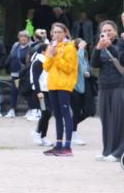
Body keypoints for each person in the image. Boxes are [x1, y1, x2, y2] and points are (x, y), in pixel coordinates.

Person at [90, 21, 124, 162]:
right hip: (104, 86)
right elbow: (94, 64)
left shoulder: (121, 43)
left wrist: (110, 46)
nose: (106, 33)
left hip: (120, 85)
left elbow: (123, 59)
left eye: (109, 30)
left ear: (115, 31)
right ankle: (107, 150)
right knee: (106, 120)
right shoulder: (100, 45)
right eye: (104, 30)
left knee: (119, 119)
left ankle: (119, 151)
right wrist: (97, 48)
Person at [41, 22, 78, 157]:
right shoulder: (52, 46)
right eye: (54, 32)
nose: (56, 35)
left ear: (65, 33)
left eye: (59, 32)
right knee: (57, 115)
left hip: (64, 85)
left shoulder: (70, 47)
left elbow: (68, 67)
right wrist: (50, 54)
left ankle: (67, 146)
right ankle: (58, 144)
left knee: (65, 114)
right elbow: (46, 67)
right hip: (52, 84)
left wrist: (56, 56)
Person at [29, 42, 52, 146]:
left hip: (49, 91)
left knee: (48, 114)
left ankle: (43, 135)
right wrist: (38, 91)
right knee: (45, 112)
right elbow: (35, 78)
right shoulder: (38, 62)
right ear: (43, 51)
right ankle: (37, 133)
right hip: (41, 92)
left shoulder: (49, 61)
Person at [69, 38, 91, 147]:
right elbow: (79, 67)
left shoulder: (84, 54)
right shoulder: (76, 54)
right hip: (74, 87)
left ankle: (69, 126)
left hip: (84, 86)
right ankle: (73, 132)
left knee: (89, 110)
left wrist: (88, 72)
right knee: (76, 111)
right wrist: (81, 50)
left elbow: (86, 68)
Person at [7, 31, 33, 119]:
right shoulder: (15, 46)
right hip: (15, 74)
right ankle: (12, 109)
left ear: (28, 38)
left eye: (25, 37)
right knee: (14, 91)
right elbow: (11, 57)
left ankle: (30, 109)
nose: (23, 38)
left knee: (27, 92)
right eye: (21, 36)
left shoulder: (30, 46)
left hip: (25, 75)